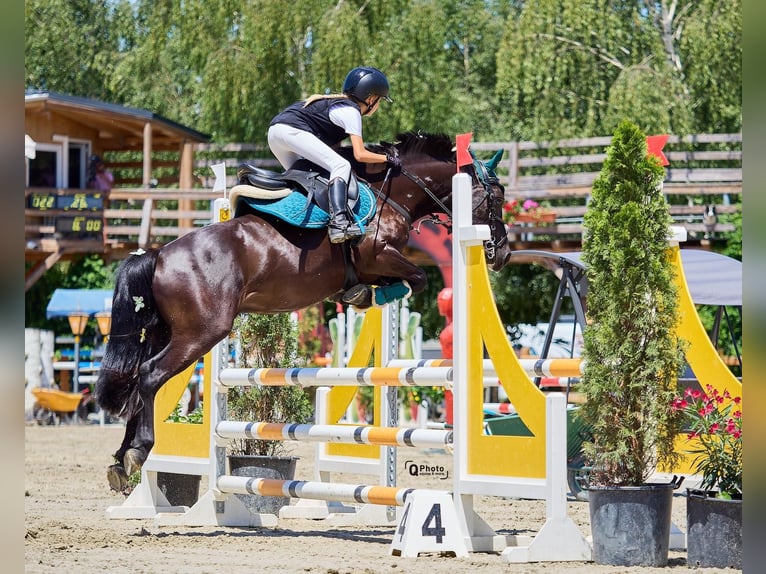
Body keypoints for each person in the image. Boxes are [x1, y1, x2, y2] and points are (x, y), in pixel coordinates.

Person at [268, 66, 401, 243]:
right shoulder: (352, 111)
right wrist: (387, 158)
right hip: (291, 131)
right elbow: (360, 154)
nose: (378, 106)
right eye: (379, 101)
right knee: (341, 165)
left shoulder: (339, 106)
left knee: (307, 178)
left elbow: (332, 151)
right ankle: (339, 222)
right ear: (370, 99)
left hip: (275, 134)